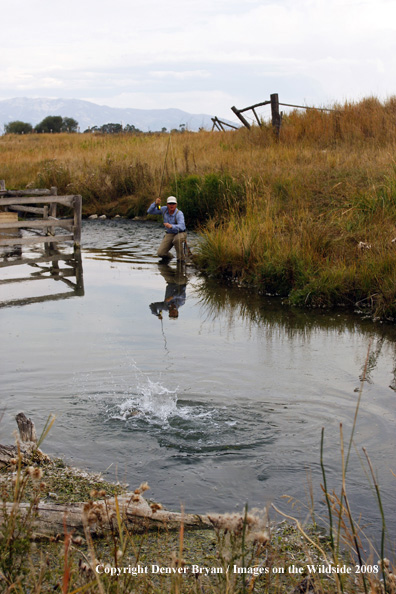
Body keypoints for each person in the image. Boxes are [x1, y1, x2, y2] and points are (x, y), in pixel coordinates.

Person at [147, 196, 187, 261]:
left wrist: (171, 226)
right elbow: (149, 211)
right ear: (167, 204)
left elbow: (182, 227)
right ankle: (171, 257)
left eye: (173, 203)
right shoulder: (163, 209)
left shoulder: (179, 213)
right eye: (170, 203)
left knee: (176, 240)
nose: (172, 205)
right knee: (161, 253)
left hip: (181, 232)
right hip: (169, 233)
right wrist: (155, 203)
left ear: (176, 204)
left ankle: (181, 260)